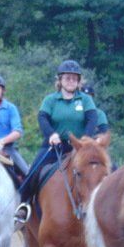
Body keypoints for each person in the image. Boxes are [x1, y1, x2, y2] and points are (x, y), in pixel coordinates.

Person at [13, 60, 99, 225]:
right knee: (33, 172)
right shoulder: (51, 99)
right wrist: (51, 134)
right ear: (60, 80)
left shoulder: (85, 100)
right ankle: (23, 206)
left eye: (74, 78)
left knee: (104, 168)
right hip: (54, 146)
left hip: (80, 146)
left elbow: (92, 119)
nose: (71, 81)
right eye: (67, 78)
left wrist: (85, 139)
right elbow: (43, 118)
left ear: (79, 81)